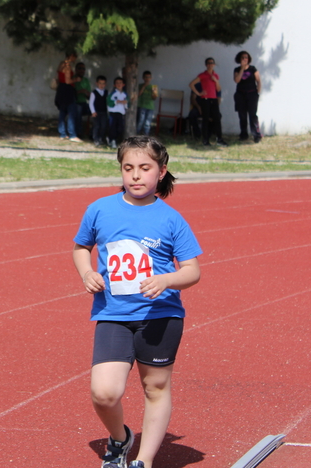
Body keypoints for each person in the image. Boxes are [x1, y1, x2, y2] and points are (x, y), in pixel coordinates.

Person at [72, 136, 202, 468]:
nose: (135, 176)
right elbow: (81, 247)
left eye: (145, 168)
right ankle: (120, 438)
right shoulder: (99, 209)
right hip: (113, 313)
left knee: (155, 386)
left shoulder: (171, 219)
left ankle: (143, 460)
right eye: (128, 168)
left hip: (161, 315)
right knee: (104, 393)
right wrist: (86, 272)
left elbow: (192, 271)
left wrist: (166, 279)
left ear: (161, 172)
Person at [189, 58, 228, 147]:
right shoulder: (202, 75)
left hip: (214, 99)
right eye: (208, 63)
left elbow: (218, 89)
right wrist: (199, 93)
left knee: (217, 118)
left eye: (212, 63)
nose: (210, 64)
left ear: (214, 64)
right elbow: (191, 84)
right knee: (205, 119)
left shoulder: (216, 76)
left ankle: (219, 139)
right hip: (205, 99)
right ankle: (205, 140)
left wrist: (216, 80)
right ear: (206, 65)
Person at [233, 51, 262, 143]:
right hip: (241, 95)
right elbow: (237, 80)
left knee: (253, 115)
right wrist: (242, 68)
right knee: (242, 116)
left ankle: (256, 135)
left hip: (252, 94)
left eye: (246, 57)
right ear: (239, 59)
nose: (245, 59)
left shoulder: (253, 69)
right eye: (243, 57)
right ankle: (243, 134)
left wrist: (258, 89)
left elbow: (258, 80)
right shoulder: (237, 70)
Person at [54, 52, 82, 142]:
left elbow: (59, 77)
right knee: (71, 112)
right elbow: (67, 81)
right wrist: (76, 79)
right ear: (71, 56)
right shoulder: (67, 66)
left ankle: (62, 133)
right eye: (75, 57)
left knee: (62, 112)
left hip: (61, 90)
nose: (75, 59)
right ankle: (72, 134)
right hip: (67, 90)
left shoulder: (61, 64)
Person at [107, 77, 128, 149]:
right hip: (113, 112)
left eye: (120, 83)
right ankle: (113, 140)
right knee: (113, 127)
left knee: (120, 128)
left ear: (123, 84)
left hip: (121, 113)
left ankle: (111, 138)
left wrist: (125, 103)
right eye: (117, 83)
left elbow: (127, 103)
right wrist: (117, 102)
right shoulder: (112, 93)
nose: (119, 84)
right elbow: (108, 102)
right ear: (114, 85)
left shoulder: (125, 94)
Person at [135, 71, 157, 136]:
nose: (147, 79)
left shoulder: (154, 87)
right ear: (143, 78)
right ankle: (136, 134)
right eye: (146, 77)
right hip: (141, 106)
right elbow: (138, 95)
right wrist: (144, 87)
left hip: (150, 107)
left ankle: (145, 135)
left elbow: (154, 98)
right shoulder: (140, 86)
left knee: (147, 123)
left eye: (149, 77)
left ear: (151, 78)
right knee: (140, 121)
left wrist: (153, 93)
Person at [90, 75, 109, 147]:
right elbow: (91, 103)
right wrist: (93, 111)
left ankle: (101, 138)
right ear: (97, 83)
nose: (101, 85)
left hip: (104, 112)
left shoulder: (107, 92)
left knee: (103, 126)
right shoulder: (94, 93)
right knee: (96, 126)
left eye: (103, 83)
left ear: (105, 84)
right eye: (100, 83)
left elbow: (108, 103)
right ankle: (95, 139)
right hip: (96, 112)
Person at [75, 62, 92, 139]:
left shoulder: (86, 80)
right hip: (74, 102)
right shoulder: (73, 79)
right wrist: (80, 91)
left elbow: (89, 95)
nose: (82, 70)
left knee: (95, 111)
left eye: (83, 69)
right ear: (76, 70)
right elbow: (70, 93)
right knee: (78, 110)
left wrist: (87, 94)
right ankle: (78, 133)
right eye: (80, 68)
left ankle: (92, 133)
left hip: (84, 102)